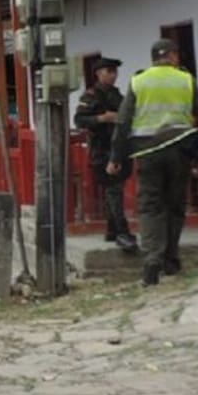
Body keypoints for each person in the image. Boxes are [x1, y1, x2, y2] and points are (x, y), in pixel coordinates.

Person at [109, 38, 198, 286]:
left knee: (150, 205)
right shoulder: (186, 80)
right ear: (174, 56)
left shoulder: (138, 81)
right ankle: (171, 259)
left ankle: (152, 261)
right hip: (180, 150)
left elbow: (123, 122)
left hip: (148, 151)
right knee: (175, 205)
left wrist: (116, 157)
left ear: (154, 57)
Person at [74, 56, 137, 252]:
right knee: (113, 189)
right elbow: (80, 119)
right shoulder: (91, 95)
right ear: (98, 73)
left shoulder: (117, 95)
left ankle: (112, 229)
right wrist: (103, 118)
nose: (112, 75)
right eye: (108, 71)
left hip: (119, 146)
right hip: (102, 148)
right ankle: (121, 231)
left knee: (115, 188)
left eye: (114, 71)